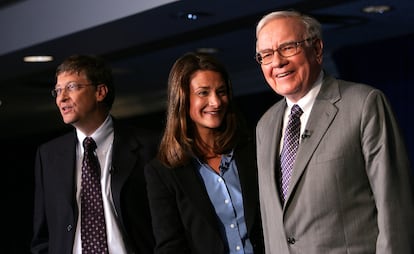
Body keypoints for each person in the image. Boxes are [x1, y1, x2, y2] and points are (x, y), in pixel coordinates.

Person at [254, 10, 414, 253]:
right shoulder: (264, 126)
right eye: (266, 55)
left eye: (288, 48)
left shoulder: (364, 104)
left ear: (316, 49)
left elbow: (395, 208)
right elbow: (271, 220)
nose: (277, 62)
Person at [31, 54, 156, 254]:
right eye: (58, 90)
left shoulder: (149, 146)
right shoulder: (48, 156)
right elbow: (43, 236)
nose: (62, 97)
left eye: (72, 87)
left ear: (100, 92)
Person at [144, 52, 264, 254]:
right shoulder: (162, 172)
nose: (216, 102)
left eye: (221, 91)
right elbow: (170, 246)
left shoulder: (253, 149)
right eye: (203, 93)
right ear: (182, 98)